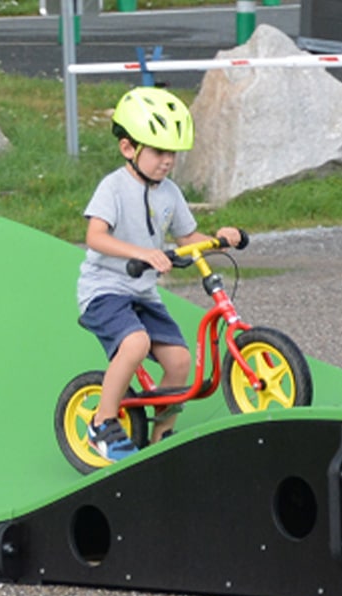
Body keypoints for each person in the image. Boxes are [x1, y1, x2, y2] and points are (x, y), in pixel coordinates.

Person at [76, 86, 243, 463]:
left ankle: (161, 436)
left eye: (172, 153)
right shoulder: (114, 187)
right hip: (105, 290)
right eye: (158, 152)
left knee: (180, 362)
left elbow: (187, 237)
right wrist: (143, 254)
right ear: (128, 149)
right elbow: (95, 236)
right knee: (133, 344)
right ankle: (101, 424)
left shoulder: (170, 192)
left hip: (143, 294)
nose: (167, 161)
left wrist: (218, 239)